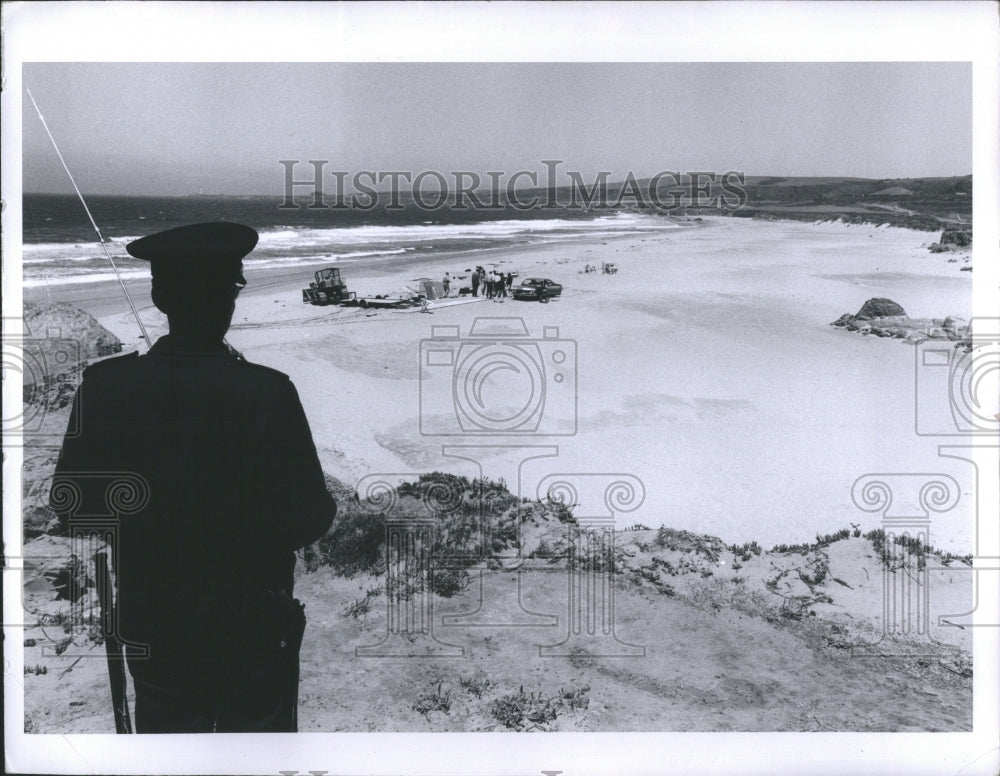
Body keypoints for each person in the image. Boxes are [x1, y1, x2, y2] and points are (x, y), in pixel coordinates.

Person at [50, 222, 336, 733]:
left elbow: (72, 508)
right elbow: (313, 514)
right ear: (229, 300)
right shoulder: (267, 391)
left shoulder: (106, 386)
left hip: (154, 622)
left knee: (170, 753)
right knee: (258, 756)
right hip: (253, 621)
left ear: (160, 296)